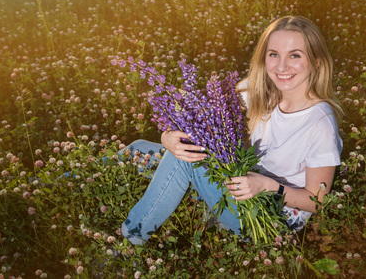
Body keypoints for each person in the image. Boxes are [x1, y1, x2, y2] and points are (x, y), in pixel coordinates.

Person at [121, 15, 343, 245]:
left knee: (183, 161)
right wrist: (167, 139)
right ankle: (86, 176)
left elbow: (317, 201)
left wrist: (266, 186)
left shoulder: (320, 122)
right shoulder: (255, 89)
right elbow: (204, 122)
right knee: (137, 149)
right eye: (274, 54)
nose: (282, 66)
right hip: (234, 183)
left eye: (295, 55)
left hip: (269, 218)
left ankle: (131, 239)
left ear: (317, 61)